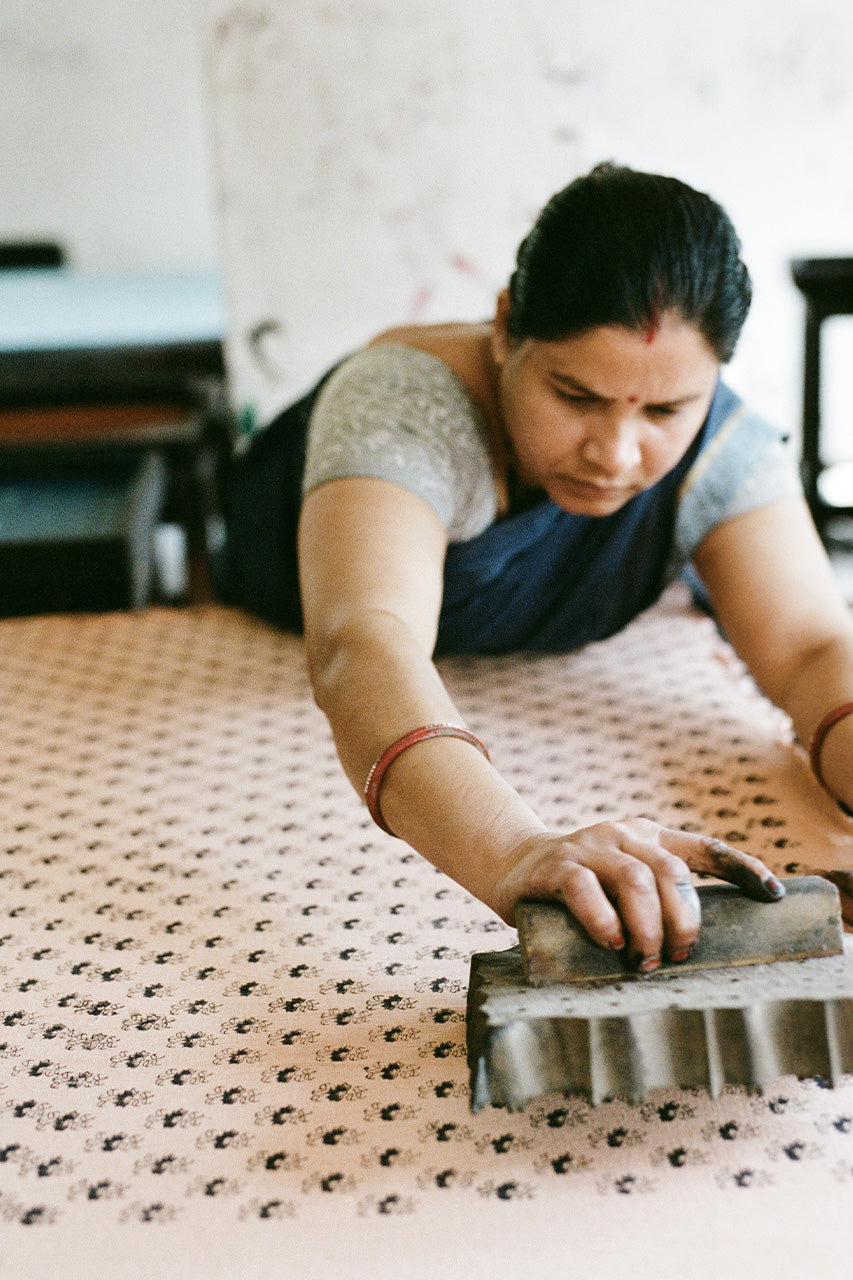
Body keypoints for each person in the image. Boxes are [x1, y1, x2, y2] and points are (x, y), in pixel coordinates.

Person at [218, 162, 853, 970]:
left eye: (664, 410)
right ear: (504, 326)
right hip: (269, 585)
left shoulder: (725, 447)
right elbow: (361, 641)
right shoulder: (404, 406)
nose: (615, 453)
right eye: (574, 395)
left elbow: (810, 649)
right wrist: (514, 851)